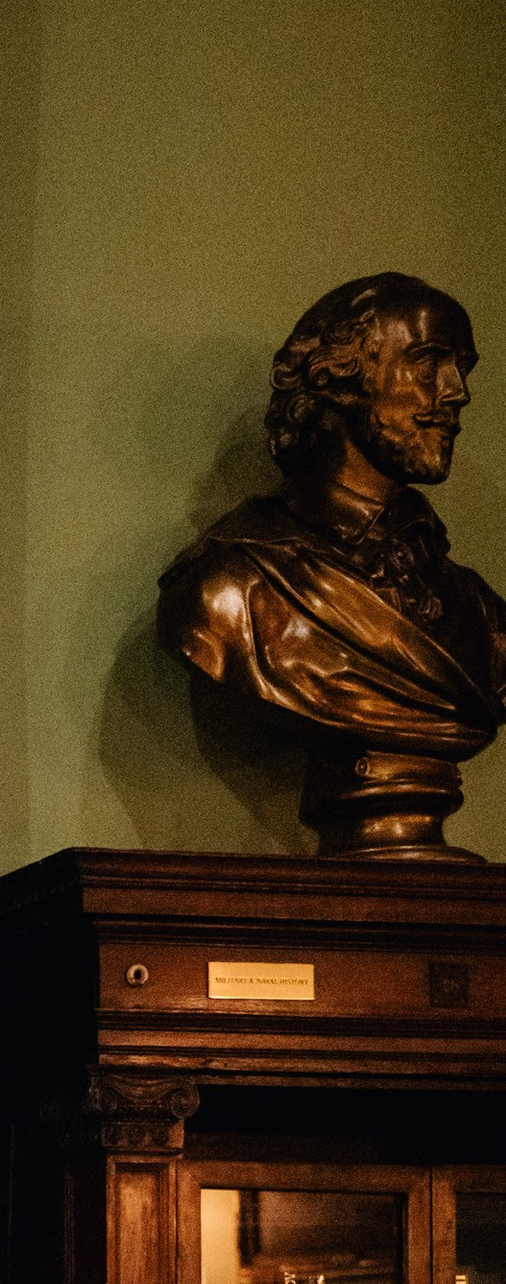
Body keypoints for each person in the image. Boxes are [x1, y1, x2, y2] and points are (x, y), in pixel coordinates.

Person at [155, 273, 506, 851]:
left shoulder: (482, 613)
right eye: (428, 362)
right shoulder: (231, 588)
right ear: (343, 377)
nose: (456, 392)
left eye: (461, 368)